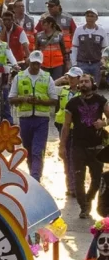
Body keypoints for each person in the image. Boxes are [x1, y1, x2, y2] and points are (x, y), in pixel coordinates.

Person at [61, 74, 109, 219]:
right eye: (81, 82)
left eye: (86, 81)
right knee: (78, 179)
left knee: (96, 179)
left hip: (96, 147)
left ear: (92, 83)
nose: (83, 84)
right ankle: (84, 207)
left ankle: (88, 200)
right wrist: (62, 146)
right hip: (77, 147)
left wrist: (104, 123)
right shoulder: (72, 103)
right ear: (78, 85)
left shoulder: (101, 100)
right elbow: (66, 126)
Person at [9, 51, 58, 182]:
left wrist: (40, 101)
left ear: (41, 63)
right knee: (28, 150)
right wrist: (23, 99)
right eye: (33, 63)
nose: (35, 66)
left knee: (37, 150)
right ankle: (33, 173)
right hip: (25, 118)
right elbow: (11, 99)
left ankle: (35, 178)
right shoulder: (19, 77)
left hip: (41, 119)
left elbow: (54, 100)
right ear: (28, 62)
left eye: (38, 63)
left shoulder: (47, 78)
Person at [54, 67, 83, 198]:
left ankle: (76, 186)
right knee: (66, 157)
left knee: (75, 158)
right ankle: (70, 186)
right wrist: (61, 79)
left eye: (73, 77)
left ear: (79, 79)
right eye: (69, 77)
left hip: (78, 129)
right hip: (64, 127)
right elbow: (50, 86)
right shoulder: (63, 90)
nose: (70, 80)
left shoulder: (84, 93)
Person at [72, 9, 107, 82]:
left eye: (92, 16)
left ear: (96, 18)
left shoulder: (101, 31)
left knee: (95, 86)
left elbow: (105, 48)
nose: (89, 18)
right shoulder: (79, 30)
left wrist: (104, 60)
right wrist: (74, 63)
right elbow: (74, 47)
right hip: (82, 63)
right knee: (83, 86)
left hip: (96, 64)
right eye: (87, 16)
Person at [35, 15, 69, 79]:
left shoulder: (59, 35)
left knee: (56, 83)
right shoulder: (39, 36)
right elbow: (36, 50)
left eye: (44, 23)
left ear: (50, 24)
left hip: (57, 64)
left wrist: (67, 62)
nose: (42, 25)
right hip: (43, 64)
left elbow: (64, 50)